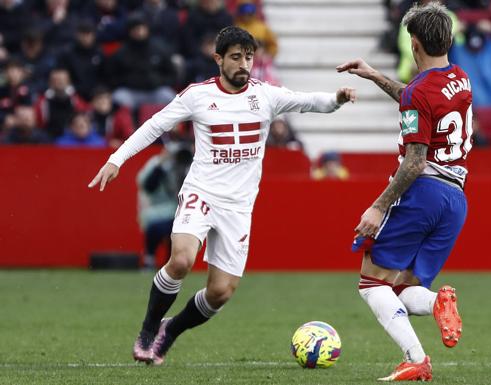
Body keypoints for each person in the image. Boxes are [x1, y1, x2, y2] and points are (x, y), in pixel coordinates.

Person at [88, 26, 355, 366]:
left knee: (220, 292)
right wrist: (116, 159)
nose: (244, 64)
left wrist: (337, 99)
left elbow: (308, 102)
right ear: (218, 59)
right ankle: (148, 329)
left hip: (238, 207)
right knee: (182, 260)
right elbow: (155, 125)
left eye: (248, 57)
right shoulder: (197, 95)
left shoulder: (265, 96)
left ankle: (170, 331)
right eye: (235, 57)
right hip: (202, 192)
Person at [337, 2, 468, 381]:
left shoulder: (418, 93)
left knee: (371, 283)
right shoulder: (460, 77)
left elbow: (414, 160)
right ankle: (437, 302)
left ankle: (416, 358)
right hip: (456, 197)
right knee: (402, 290)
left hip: (423, 191)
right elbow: (419, 98)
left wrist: (378, 207)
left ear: (413, 44)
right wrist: (376, 76)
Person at [137, 142, 193, 269]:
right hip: (159, 210)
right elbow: (148, 186)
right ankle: (150, 258)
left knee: (178, 232)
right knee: (155, 228)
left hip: (182, 211)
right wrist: (161, 165)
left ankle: (172, 262)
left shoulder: (189, 166)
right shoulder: (158, 163)